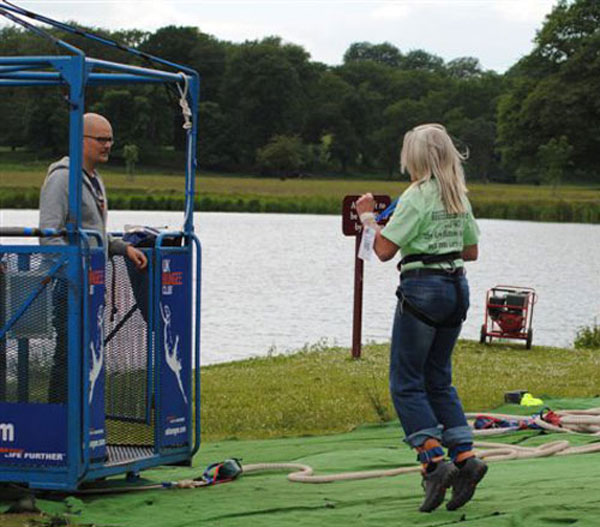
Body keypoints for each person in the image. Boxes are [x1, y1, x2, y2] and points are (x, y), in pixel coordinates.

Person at [356, 123, 486, 513]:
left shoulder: (416, 197)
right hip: (456, 288)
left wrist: (367, 218)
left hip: (422, 289)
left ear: (412, 157)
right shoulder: (457, 195)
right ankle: (464, 456)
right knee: (439, 378)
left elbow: (382, 250)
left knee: (406, 382)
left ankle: (433, 461)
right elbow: (472, 251)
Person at [39, 113, 147, 403]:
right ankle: (59, 425)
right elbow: (49, 236)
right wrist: (75, 270)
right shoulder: (62, 178)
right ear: (80, 140)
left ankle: (81, 424)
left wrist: (123, 248)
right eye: (101, 139)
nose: (108, 145)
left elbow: (93, 233)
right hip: (67, 285)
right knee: (68, 354)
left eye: (110, 139)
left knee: (86, 355)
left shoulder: (94, 179)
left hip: (90, 282)